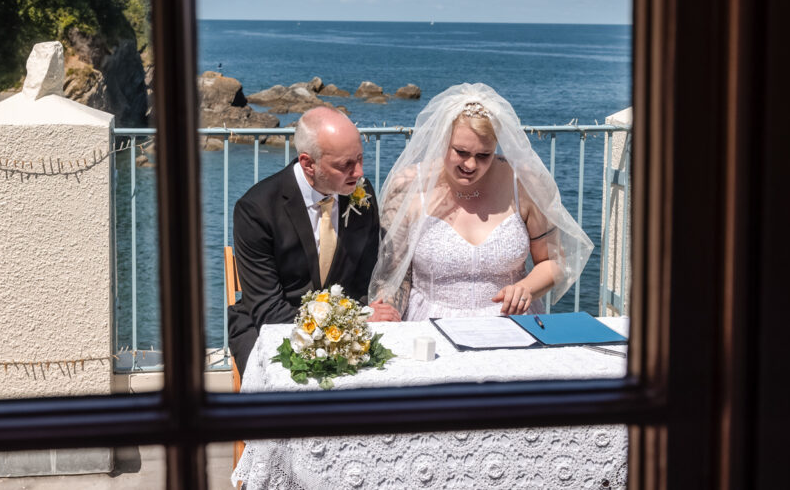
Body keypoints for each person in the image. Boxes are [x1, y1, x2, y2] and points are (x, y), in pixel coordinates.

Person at [368, 83, 593, 320]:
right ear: (442, 139)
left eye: (484, 155)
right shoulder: (408, 186)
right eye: (461, 152)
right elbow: (395, 275)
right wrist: (389, 310)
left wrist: (527, 288)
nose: (471, 165)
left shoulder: (525, 183)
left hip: (511, 323)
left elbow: (553, 261)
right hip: (430, 321)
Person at [227, 107, 399, 372]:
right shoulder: (256, 210)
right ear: (308, 163)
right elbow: (267, 310)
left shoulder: (361, 194)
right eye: (346, 165)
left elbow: (365, 281)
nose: (359, 172)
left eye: (360, 159)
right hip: (274, 329)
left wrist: (371, 314)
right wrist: (353, 323)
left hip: (348, 332)